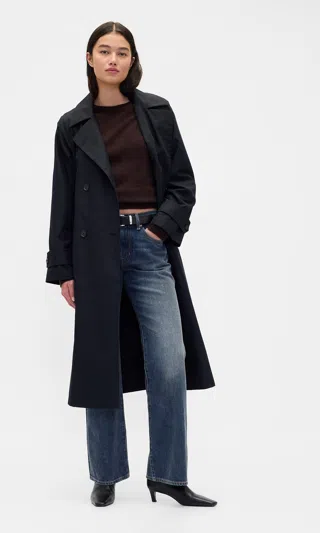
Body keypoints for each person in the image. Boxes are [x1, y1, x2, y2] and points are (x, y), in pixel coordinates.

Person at [46, 21, 217, 508]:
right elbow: (62, 199)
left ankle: (168, 475)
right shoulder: (72, 125)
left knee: (169, 361)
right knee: (102, 362)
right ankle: (105, 474)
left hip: (149, 248)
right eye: (104, 51)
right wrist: (64, 268)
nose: (113, 59)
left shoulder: (157, 112)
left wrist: (159, 229)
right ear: (89, 58)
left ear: (132, 60)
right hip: (94, 253)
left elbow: (183, 183)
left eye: (122, 52)